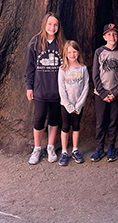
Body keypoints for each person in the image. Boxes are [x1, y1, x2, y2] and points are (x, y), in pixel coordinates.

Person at [25, 12, 65, 164]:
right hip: (40, 90)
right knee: (39, 119)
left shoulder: (61, 43)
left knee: (54, 119)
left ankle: (50, 147)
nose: (52, 27)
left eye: (55, 24)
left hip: (56, 90)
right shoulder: (35, 42)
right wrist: (29, 87)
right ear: (44, 25)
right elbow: (29, 67)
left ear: (58, 26)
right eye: (49, 24)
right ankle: (37, 148)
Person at [91, 23, 118, 162]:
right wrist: (103, 93)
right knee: (101, 122)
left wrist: (116, 93)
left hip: (116, 94)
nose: (112, 37)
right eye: (109, 34)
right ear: (104, 37)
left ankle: (111, 147)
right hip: (100, 94)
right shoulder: (99, 52)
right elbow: (95, 75)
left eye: (114, 34)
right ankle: (99, 148)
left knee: (113, 121)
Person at [58, 40, 89, 166]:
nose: (72, 54)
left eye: (74, 51)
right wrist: (69, 105)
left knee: (76, 126)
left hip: (79, 105)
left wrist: (79, 105)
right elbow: (61, 89)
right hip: (66, 105)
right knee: (65, 126)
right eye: (69, 52)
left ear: (78, 52)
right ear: (65, 54)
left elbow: (86, 87)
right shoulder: (63, 69)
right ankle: (64, 151)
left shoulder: (83, 68)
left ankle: (75, 150)